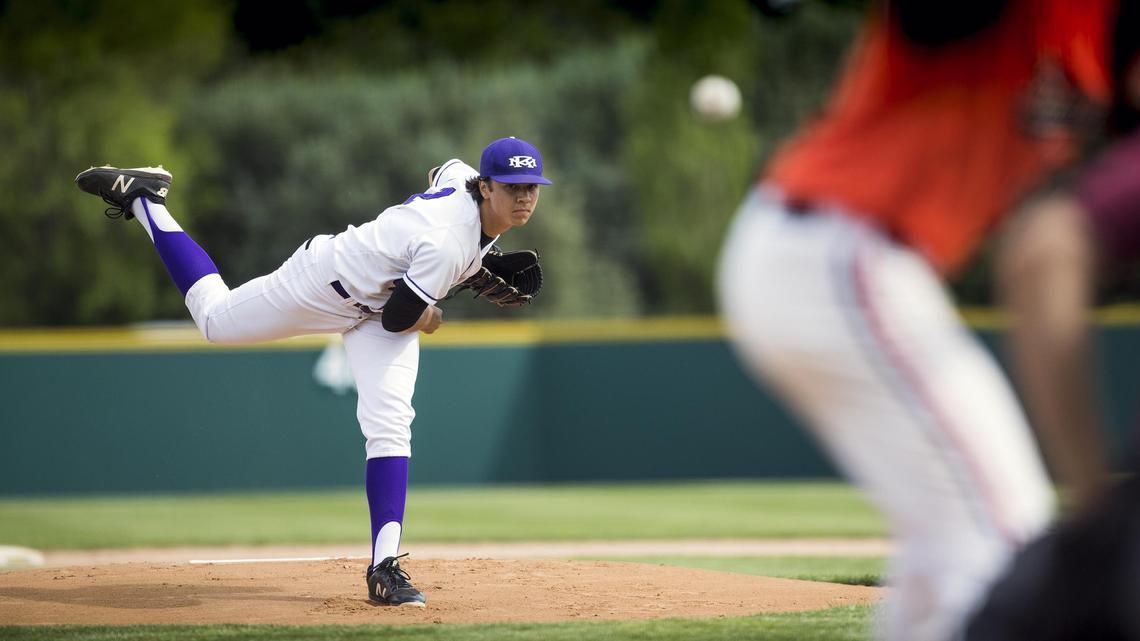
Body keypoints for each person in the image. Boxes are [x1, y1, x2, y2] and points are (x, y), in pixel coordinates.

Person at [717, 2, 1114, 640]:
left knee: (953, 558)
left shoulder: (1105, 34)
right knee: (1001, 546)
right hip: (836, 251)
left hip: (862, 269)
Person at [75, 136, 553, 607]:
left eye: (531, 186)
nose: (525, 196)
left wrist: (469, 256)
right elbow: (401, 318)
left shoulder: (462, 180)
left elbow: (441, 170)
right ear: (486, 187)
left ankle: (384, 567)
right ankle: (145, 199)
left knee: (390, 426)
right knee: (215, 320)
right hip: (326, 283)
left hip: (379, 302)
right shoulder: (448, 245)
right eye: (513, 187)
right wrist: (435, 314)